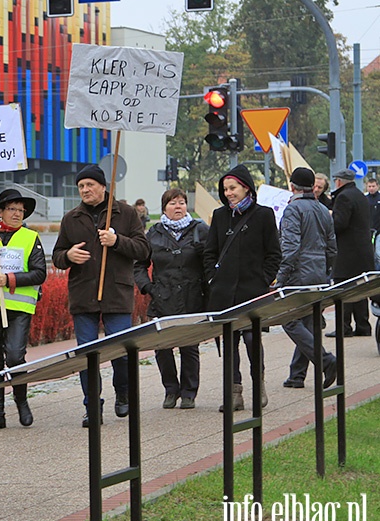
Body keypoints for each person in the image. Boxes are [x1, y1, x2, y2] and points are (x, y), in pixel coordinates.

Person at [52, 165, 150, 427]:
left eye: (90, 185)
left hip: (117, 294)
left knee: (121, 352)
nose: (85, 190)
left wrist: (117, 241)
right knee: (88, 354)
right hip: (83, 294)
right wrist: (68, 256)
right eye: (81, 186)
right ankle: (92, 405)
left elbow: (143, 250)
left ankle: (123, 391)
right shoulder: (71, 218)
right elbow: (57, 256)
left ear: (103, 186)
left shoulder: (126, 214)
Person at [203, 164, 281, 412]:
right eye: (225, 189)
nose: (228, 193)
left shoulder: (264, 215)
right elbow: (209, 252)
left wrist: (264, 278)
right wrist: (212, 278)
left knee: (251, 340)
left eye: (233, 188)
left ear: (246, 188)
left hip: (252, 292)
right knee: (230, 343)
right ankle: (234, 393)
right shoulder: (219, 215)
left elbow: (274, 254)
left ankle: (259, 385)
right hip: (224, 293)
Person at [0, 189, 46, 431]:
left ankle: (22, 402)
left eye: (20, 210)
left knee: (15, 356)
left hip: (17, 308)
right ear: (0, 212)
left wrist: (11, 279)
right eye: (12, 209)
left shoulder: (30, 237)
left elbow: (40, 273)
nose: (17, 214)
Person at [134, 189, 209, 410]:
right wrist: (148, 287)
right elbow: (139, 265)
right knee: (163, 348)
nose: (178, 207)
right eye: (173, 203)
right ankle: (170, 389)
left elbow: (210, 262)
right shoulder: (154, 233)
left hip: (191, 297)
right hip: (162, 298)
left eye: (182, 203)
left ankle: (188, 392)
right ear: (164, 207)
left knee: (189, 346)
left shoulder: (200, 230)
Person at [275, 168, 338, 390]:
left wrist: (280, 279)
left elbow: (290, 248)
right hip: (318, 273)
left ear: (292, 187)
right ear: (312, 187)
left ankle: (326, 361)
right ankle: (297, 375)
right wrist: (326, 270)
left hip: (298, 274)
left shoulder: (293, 210)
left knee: (290, 320)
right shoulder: (323, 209)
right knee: (308, 324)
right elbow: (332, 248)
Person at [326, 168, 374, 338]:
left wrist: (330, 216)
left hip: (347, 252)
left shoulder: (343, 197)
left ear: (339, 181)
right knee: (360, 289)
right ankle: (363, 326)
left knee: (342, 289)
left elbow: (340, 224)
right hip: (362, 250)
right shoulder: (360, 195)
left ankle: (343, 327)